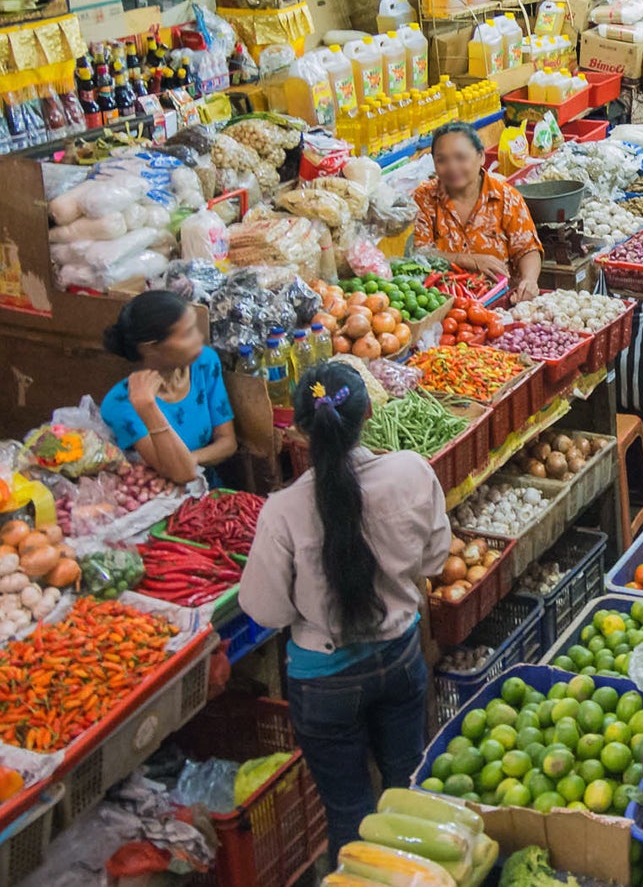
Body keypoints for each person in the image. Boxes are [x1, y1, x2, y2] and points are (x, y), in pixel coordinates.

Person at [239, 361, 451, 853]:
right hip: (400, 656)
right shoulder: (411, 472)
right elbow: (435, 559)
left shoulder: (284, 511)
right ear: (370, 413)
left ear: (296, 430)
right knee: (408, 787)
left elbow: (266, 612)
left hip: (323, 681)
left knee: (350, 813)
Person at [100, 290, 236, 485]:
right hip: (162, 500)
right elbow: (180, 474)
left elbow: (227, 442)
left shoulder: (205, 362)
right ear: (151, 347)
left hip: (209, 489)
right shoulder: (122, 403)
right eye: (187, 334)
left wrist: (191, 459)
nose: (199, 339)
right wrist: (147, 406)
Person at [413, 121, 543, 301]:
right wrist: (467, 259)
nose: (452, 167)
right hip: (445, 301)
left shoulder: (505, 197)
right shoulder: (425, 198)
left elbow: (527, 248)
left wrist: (529, 281)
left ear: (481, 156)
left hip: (501, 300)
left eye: (460, 157)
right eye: (442, 160)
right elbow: (420, 253)